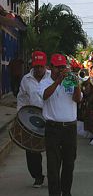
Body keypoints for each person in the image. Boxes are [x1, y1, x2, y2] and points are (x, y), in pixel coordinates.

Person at [39, 53, 82, 196]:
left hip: (69, 128)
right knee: (53, 165)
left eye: (63, 67)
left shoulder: (70, 81)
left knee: (69, 164)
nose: (60, 70)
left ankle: (66, 192)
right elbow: (45, 95)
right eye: (57, 67)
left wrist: (76, 85)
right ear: (50, 67)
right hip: (53, 128)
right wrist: (58, 81)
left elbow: (77, 99)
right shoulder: (44, 82)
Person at [17, 50, 50, 188]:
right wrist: (21, 116)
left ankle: (54, 176)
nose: (39, 69)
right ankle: (37, 177)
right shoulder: (26, 79)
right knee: (31, 150)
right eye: (36, 66)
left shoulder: (51, 77)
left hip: (50, 117)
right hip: (33, 119)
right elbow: (22, 98)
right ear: (32, 65)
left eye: (41, 66)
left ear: (46, 65)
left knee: (53, 150)